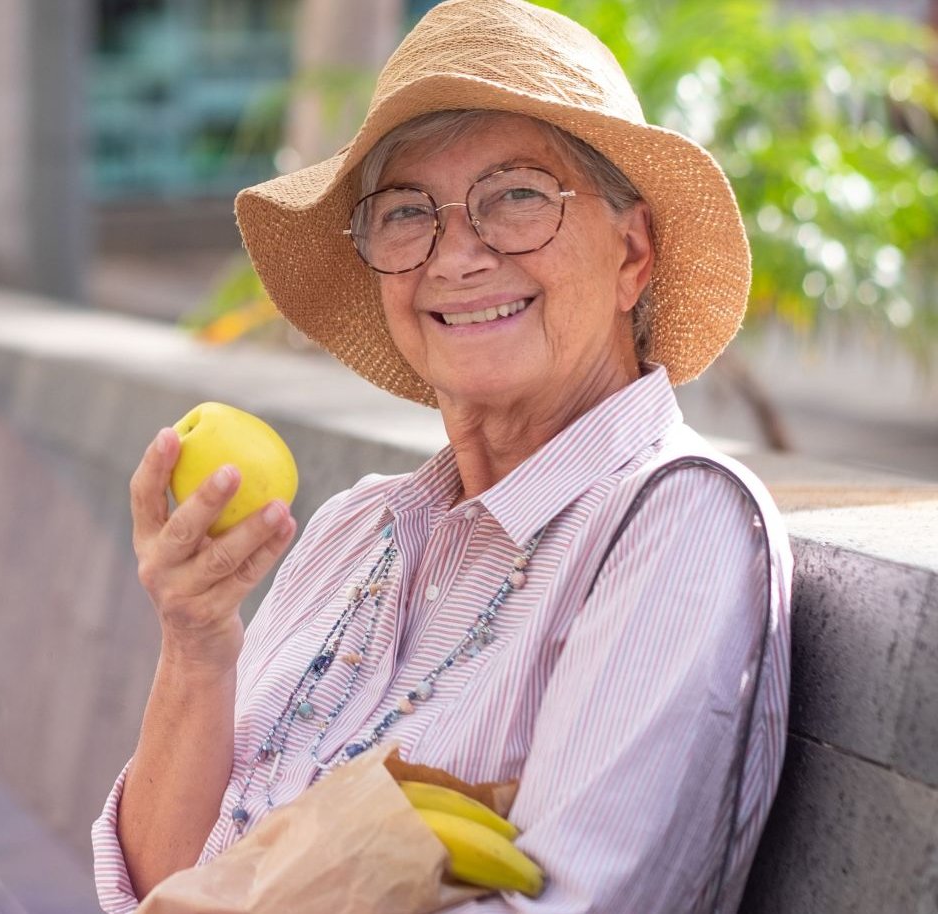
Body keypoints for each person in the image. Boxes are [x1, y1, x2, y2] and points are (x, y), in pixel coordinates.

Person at [95, 2, 792, 912]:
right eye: (407, 214)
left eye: (517, 198)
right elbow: (152, 885)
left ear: (632, 253)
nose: (456, 256)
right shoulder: (356, 526)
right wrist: (194, 644)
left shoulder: (676, 523)